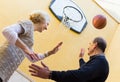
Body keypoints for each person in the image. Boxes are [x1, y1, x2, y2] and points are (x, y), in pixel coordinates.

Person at [0, 10, 63, 82]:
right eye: (47, 24)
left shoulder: (30, 36)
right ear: (42, 20)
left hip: (5, 72)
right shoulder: (29, 24)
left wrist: (51, 52)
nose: (46, 28)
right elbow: (7, 31)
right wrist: (25, 48)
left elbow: (32, 58)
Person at [29, 37, 109, 82]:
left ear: (95, 45)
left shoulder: (101, 62)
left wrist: (50, 74)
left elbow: (79, 75)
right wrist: (81, 58)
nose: (88, 47)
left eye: (90, 44)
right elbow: (84, 70)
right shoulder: (99, 62)